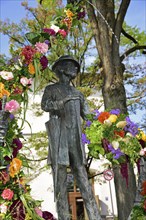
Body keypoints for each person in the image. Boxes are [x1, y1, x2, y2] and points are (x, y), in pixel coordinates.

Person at [41, 55, 101, 220]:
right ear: (61, 69)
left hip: (75, 139)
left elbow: (88, 116)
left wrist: (105, 123)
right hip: (59, 138)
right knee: (60, 179)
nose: (76, 68)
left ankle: (95, 216)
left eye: (76, 66)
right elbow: (44, 105)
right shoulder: (51, 89)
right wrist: (59, 104)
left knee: (82, 176)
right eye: (71, 65)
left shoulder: (78, 93)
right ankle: (64, 217)